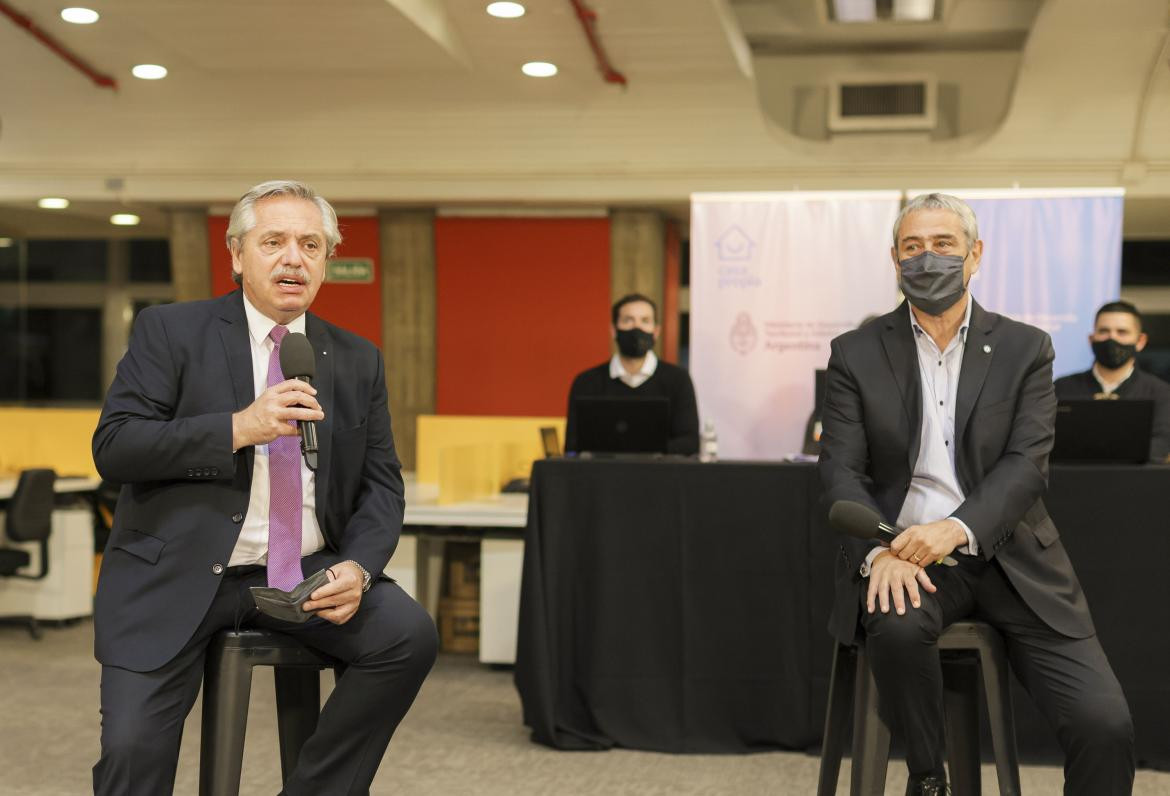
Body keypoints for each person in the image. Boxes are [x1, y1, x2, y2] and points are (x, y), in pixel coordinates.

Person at [91, 180, 438, 795]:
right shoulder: (171, 332)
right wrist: (237, 428)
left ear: (326, 261)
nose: (293, 258)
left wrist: (358, 566)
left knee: (407, 637)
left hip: (302, 572)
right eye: (273, 241)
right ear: (236, 256)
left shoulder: (358, 358)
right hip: (175, 570)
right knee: (132, 756)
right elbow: (115, 448)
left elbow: (383, 486)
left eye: (310, 244)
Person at [818, 193, 1133, 795]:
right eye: (913, 248)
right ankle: (930, 779)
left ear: (975, 254)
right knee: (898, 625)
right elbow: (839, 472)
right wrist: (876, 553)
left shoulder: (1025, 348)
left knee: (1104, 722)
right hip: (906, 553)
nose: (927, 259)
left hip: (1015, 558)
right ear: (894, 259)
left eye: (943, 245)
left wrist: (956, 528)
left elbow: (1026, 466)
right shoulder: (855, 354)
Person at [564, 293, 699, 454]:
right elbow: (572, 445)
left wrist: (643, 452)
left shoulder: (678, 379)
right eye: (628, 320)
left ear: (656, 331)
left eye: (645, 321)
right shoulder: (586, 382)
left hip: (660, 476)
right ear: (614, 330)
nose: (637, 328)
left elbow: (690, 442)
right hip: (602, 475)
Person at [1054, 300, 1170, 462]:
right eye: (1104, 331)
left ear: (1140, 341)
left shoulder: (1161, 393)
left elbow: (1161, 446)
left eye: (1122, 332)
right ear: (1091, 339)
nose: (1111, 338)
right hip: (1072, 483)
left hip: (1136, 484)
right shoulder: (1061, 388)